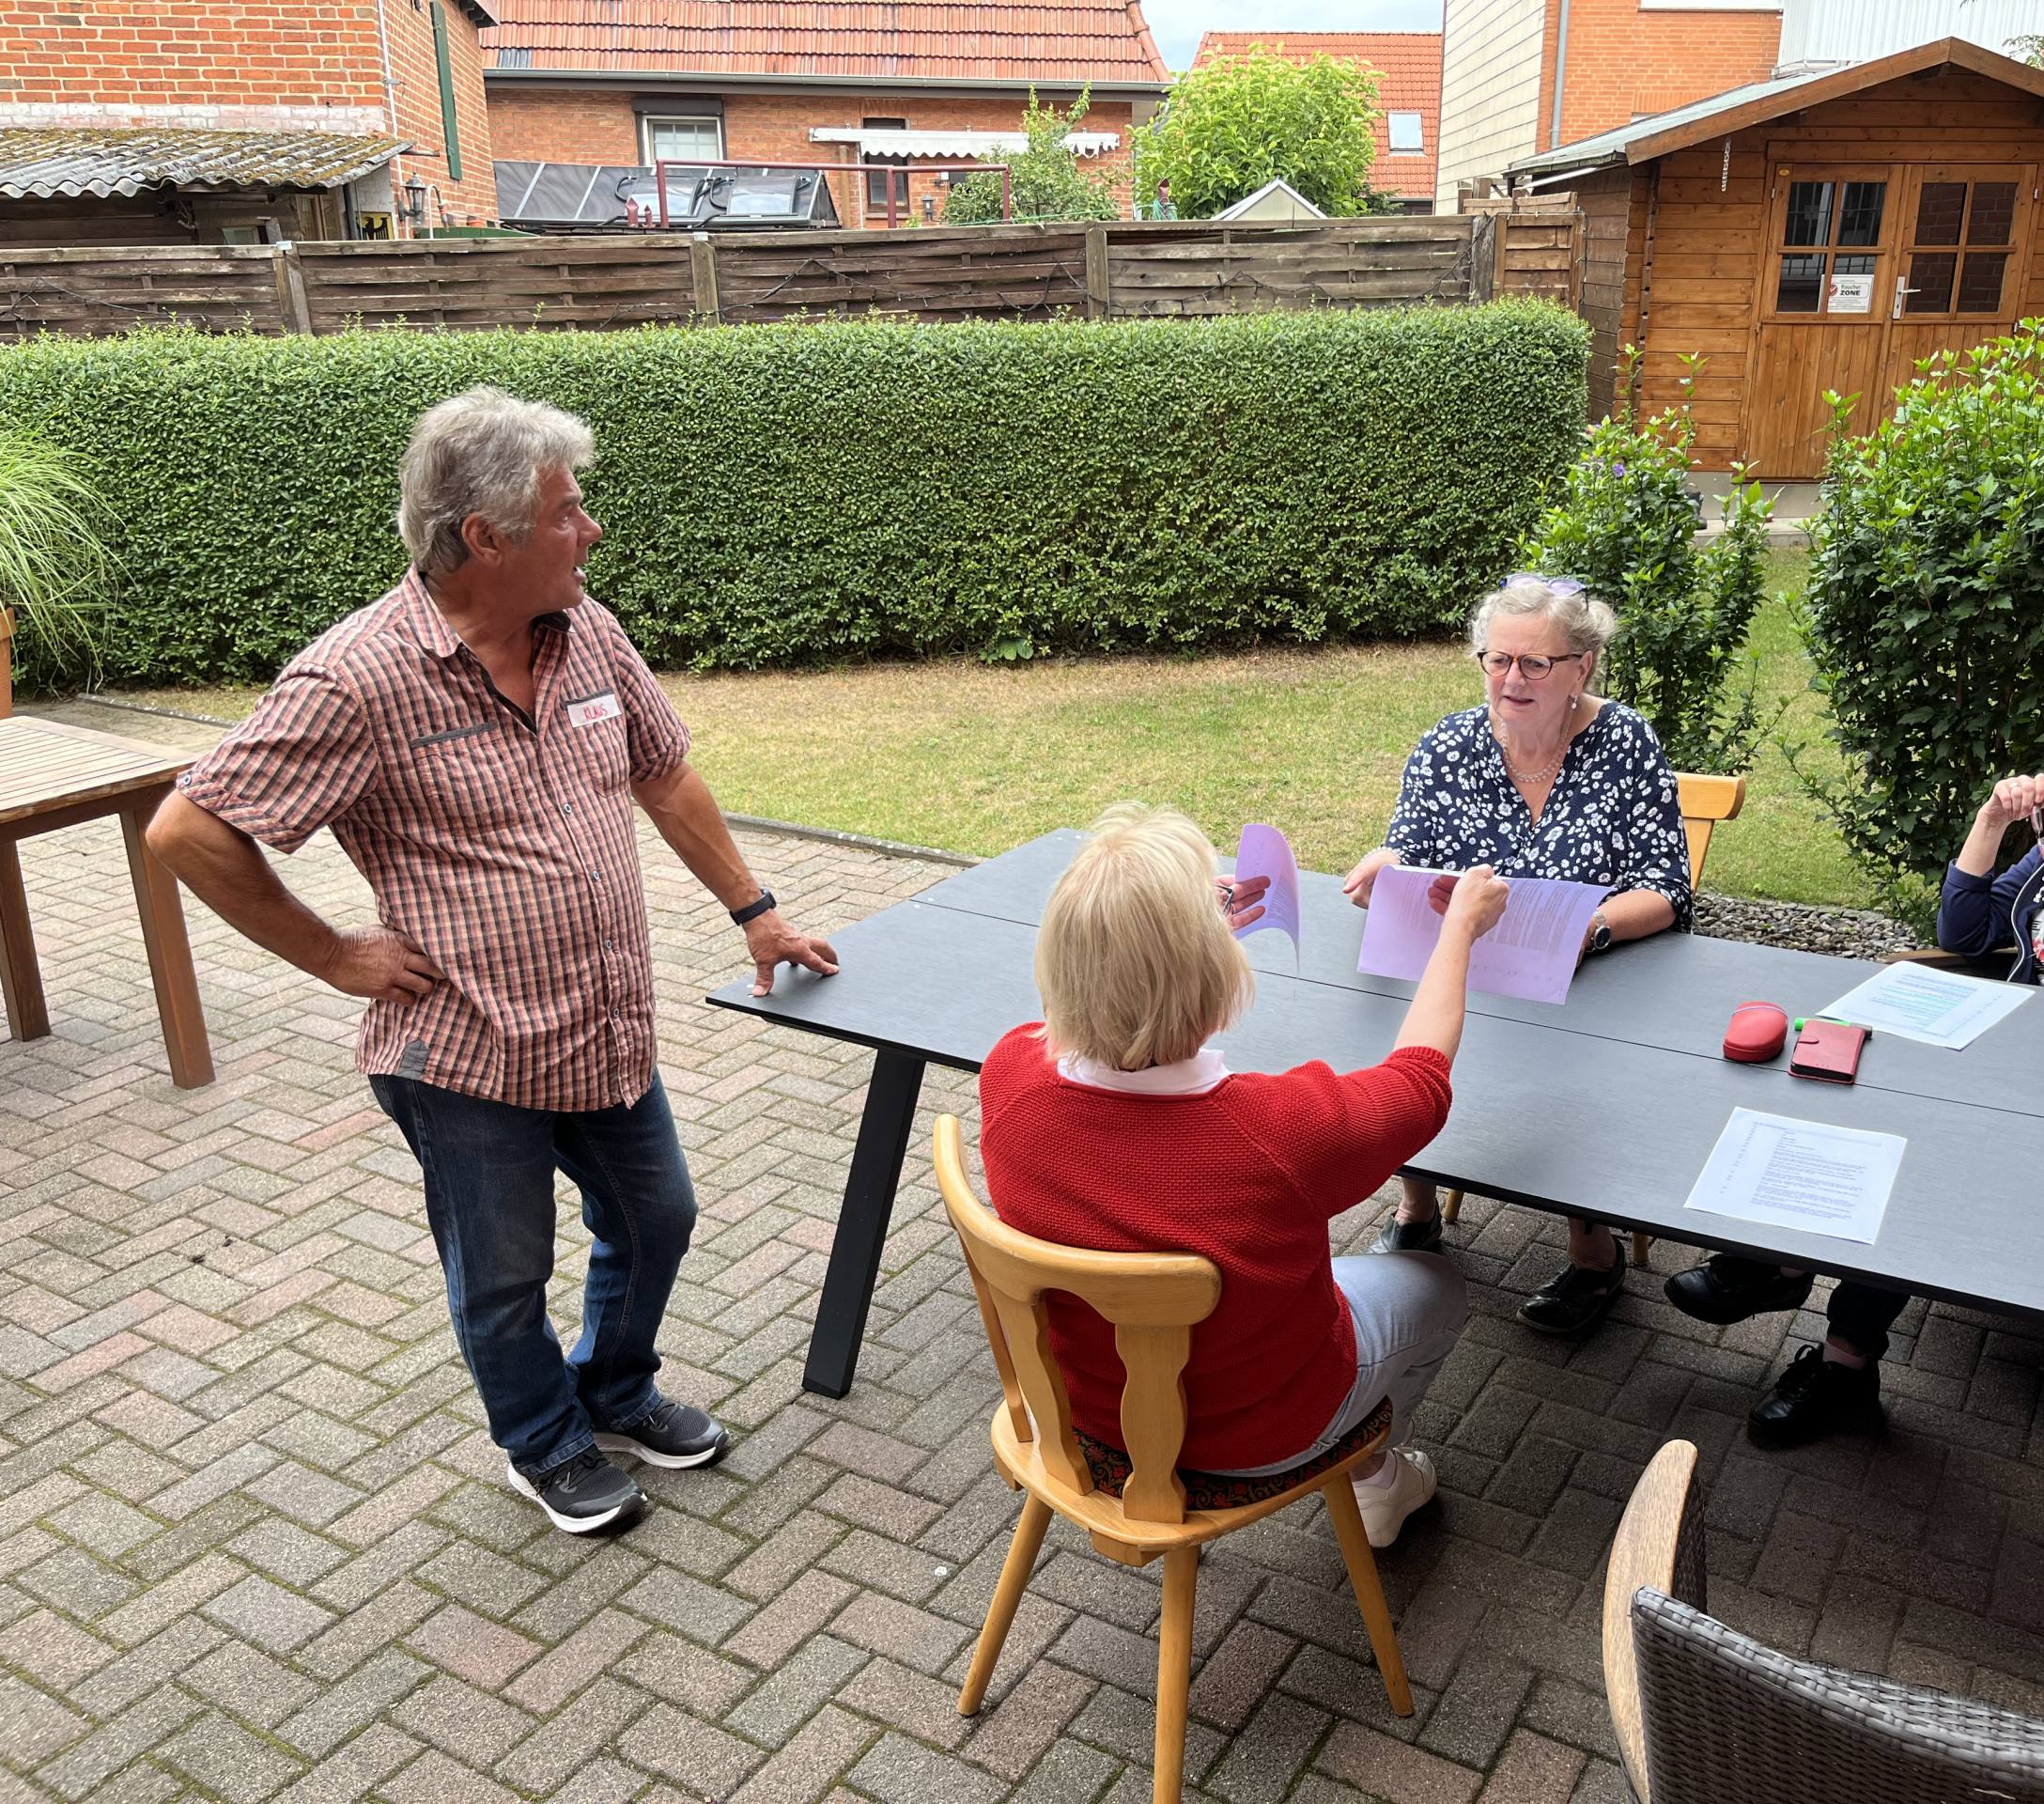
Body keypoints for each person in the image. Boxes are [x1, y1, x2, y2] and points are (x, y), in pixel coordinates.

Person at [145, 388, 840, 1534]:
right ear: (485, 537)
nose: (592, 529)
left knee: (657, 1218)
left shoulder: (586, 630)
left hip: (601, 1024)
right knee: (504, 1271)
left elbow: (662, 771)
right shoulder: (356, 677)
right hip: (466, 1050)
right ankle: (542, 1440)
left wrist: (755, 912)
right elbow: (189, 829)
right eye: (568, 512)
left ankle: (613, 1392)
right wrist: (332, 955)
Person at [1668, 664, 2044, 1447]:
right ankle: (1776, 1262)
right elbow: (1966, 932)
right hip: (2017, 1045)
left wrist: (2016, 1047)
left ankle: (1843, 1359)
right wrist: (1990, 822)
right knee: (1835, 1069)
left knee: (1922, 1142)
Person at [978, 804, 1509, 1547]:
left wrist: (1154, 938)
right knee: (1437, 1282)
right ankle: (1375, 1477)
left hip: (1080, 1413)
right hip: (1264, 1436)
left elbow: (1064, 1011)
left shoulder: (1007, 1074)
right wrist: (1459, 933)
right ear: (1217, 977)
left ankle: (1369, 1476)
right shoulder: (1281, 1131)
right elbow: (1420, 1079)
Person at [1343, 574, 1692, 1339]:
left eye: (1536, 663)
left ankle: (1594, 1252)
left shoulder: (1624, 741)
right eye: (1497, 660)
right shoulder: (1449, 745)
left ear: (1582, 666)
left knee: (1576, 1063)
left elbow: (1666, 889)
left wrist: (1585, 930)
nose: (1512, 679)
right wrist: (1386, 864)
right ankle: (1415, 1207)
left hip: (1590, 977)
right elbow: (1411, 849)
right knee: (1395, 1039)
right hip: (1470, 970)